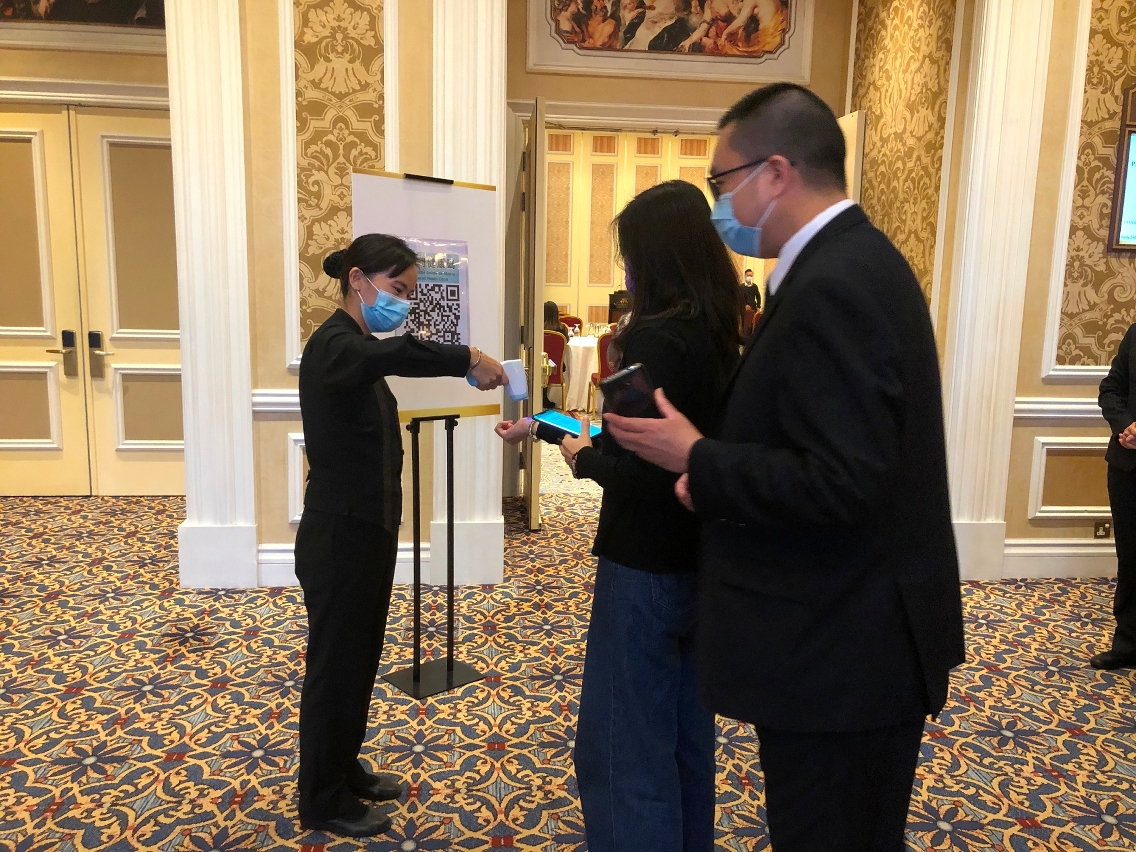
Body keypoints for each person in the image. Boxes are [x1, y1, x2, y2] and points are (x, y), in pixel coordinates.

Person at [605, 83, 965, 852]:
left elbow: (843, 480)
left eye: (721, 183)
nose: (718, 207)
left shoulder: (835, 284)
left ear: (774, 173)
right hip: (845, 638)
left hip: (844, 651)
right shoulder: (846, 263)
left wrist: (696, 455)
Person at [499, 180, 741, 852]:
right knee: (687, 740)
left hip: (644, 566)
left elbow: (635, 467)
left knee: (623, 747)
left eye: (630, 257)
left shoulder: (654, 340)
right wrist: (548, 427)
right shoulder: (721, 336)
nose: (627, 274)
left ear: (654, 258)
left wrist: (581, 457)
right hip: (702, 561)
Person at [295, 234, 505, 838]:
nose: (404, 303)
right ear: (357, 280)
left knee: (359, 659)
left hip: (367, 531)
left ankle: (342, 768)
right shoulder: (336, 345)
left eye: (411, 293)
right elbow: (399, 353)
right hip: (340, 535)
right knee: (336, 666)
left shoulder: (356, 347)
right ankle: (322, 798)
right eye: (397, 289)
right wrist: (468, 357)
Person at [1094, 322, 1136, 669]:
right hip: (1128, 466)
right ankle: (1128, 644)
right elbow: (1110, 389)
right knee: (1131, 558)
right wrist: (1125, 425)